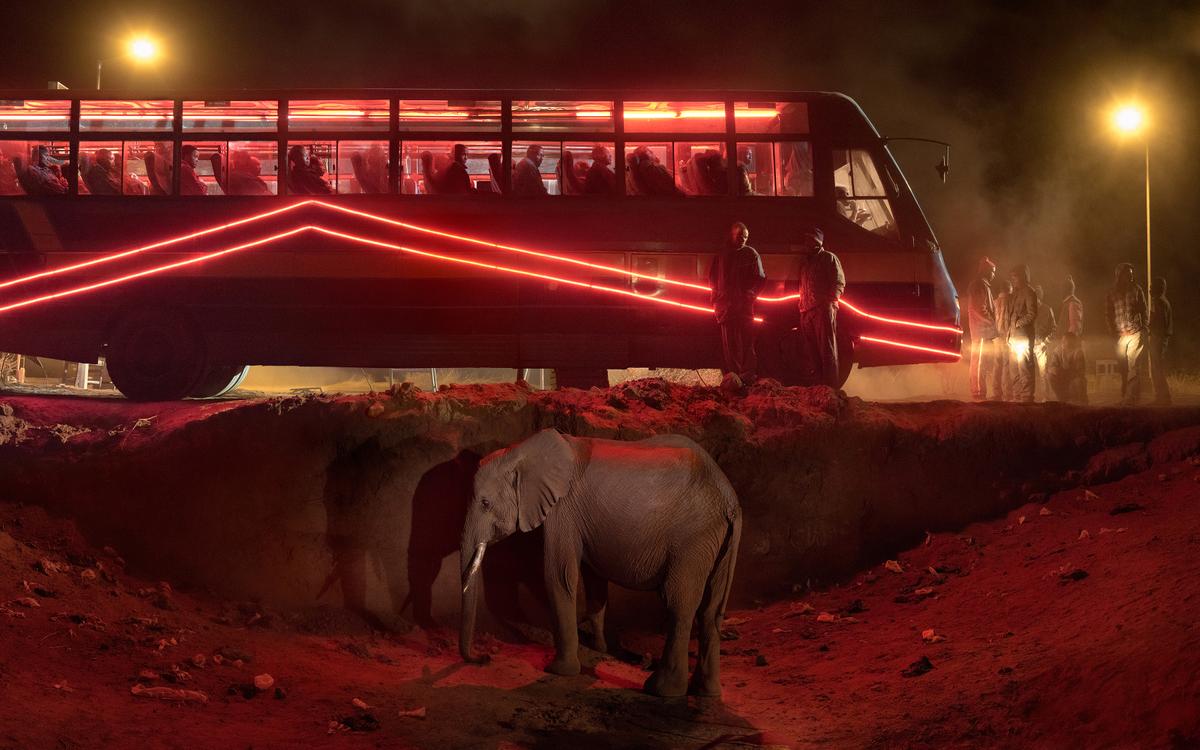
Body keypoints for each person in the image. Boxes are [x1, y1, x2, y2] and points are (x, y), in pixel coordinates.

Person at [708, 222, 765, 384]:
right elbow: (713, 280)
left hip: (741, 307)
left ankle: (744, 377)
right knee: (731, 344)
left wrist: (750, 295)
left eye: (745, 237)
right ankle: (735, 378)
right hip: (727, 307)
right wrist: (717, 299)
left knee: (746, 342)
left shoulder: (749, 254)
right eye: (740, 236)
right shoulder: (723, 255)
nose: (743, 240)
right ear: (732, 235)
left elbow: (760, 279)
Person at [795, 227, 846, 388]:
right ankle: (818, 386)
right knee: (812, 350)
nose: (806, 244)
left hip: (823, 310)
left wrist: (829, 302)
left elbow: (839, 282)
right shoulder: (805, 263)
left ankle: (831, 387)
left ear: (817, 242)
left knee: (827, 350)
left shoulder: (828, 258)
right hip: (807, 311)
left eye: (809, 240)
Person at [1104, 263, 1148, 405]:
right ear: (1119, 276)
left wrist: (1144, 327)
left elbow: (1144, 309)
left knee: (1133, 365)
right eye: (1127, 274)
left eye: (1131, 274)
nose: (1130, 276)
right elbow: (1108, 314)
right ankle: (1127, 393)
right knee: (1123, 366)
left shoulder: (1137, 290)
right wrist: (1112, 331)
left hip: (1135, 332)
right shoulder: (1111, 293)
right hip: (1120, 335)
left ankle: (1132, 396)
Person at [1004, 265, 1039, 403]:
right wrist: (1009, 334)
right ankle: (1018, 395)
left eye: (1015, 276)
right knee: (1014, 369)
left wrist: (1018, 324)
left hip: (1023, 337)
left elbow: (1032, 313)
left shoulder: (1029, 292)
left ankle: (1026, 397)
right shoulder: (1016, 293)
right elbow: (1012, 315)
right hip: (1014, 337)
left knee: (1024, 367)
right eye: (1012, 277)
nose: (1013, 280)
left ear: (1023, 276)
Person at [966, 256, 998, 401]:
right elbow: (981, 308)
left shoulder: (981, 285)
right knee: (979, 362)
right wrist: (992, 322)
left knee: (980, 362)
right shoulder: (980, 285)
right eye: (992, 271)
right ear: (986, 271)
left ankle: (979, 391)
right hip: (981, 330)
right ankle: (978, 392)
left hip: (982, 330)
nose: (994, 274)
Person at [1148, 277, 1173, 405]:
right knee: (1157, 367)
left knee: (1157, 368)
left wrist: (1149, 327)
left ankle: (1163, 397)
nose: (1150, 289)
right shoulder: (1163, 302)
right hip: (1160, 338)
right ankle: (1162, 396)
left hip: (1158, 338)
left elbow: (1159, 322)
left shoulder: (1159, 302)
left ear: (1159, 288)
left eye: (1152, 287)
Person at [1033, 284, 1056, 400]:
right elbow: (1054, 328)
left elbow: (1053, 328)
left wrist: (1045, 342)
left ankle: (1045, 398)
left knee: (1043, 374)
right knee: (1036, 374)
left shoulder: (1046, 310)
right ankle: (1035, 398)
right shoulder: (1045, 309)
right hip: (1030, 345)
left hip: (1040, 346)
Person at [992, 278, 1013, 400]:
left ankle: (996, 392)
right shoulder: (1012, 301)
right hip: (1007, 337)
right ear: (1009, 289)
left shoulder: (994, 302)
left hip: (996, 337)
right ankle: (1007, 393)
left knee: (996, 364)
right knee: (1006, 364)